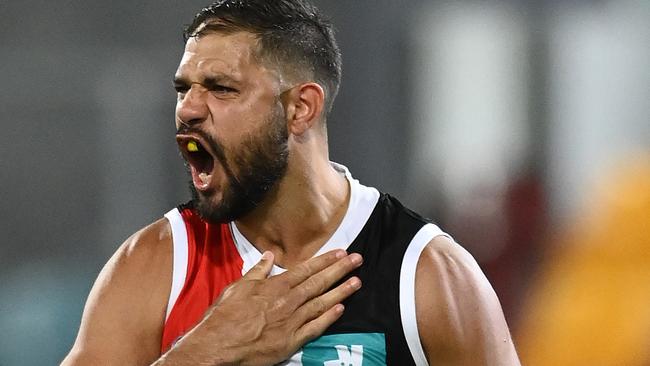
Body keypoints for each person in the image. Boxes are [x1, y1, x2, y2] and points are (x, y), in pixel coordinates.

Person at [62, 1, 520, 365]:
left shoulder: (425, 274)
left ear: (300, 108)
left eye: (221, 88)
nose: (188, 109)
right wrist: (204, 352)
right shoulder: (157, 264)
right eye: (184, 88)